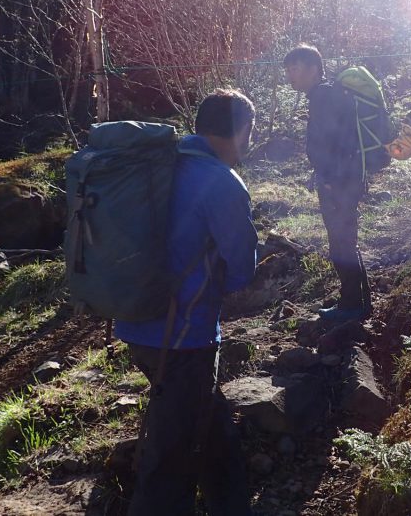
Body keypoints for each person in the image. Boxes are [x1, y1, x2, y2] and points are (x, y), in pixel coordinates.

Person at [115, 89, 257, 516]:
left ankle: (232, 504)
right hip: (183, 337)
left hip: (133, 319)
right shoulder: (221, 182)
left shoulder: (159, 166)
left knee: (208, 419)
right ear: (240, 131)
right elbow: (241, 269)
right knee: (172, 456)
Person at [282, 44, 373, 322]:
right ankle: (359, 302)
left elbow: (337, 142)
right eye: (288, 71)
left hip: (339, 182)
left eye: (294, 69)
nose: (290, 77)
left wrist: (332, 180)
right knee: (346, 240)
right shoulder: (327, 94)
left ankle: (350, 307)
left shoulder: (323, 97)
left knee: (340, 244)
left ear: (313, 68)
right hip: (346, 178)